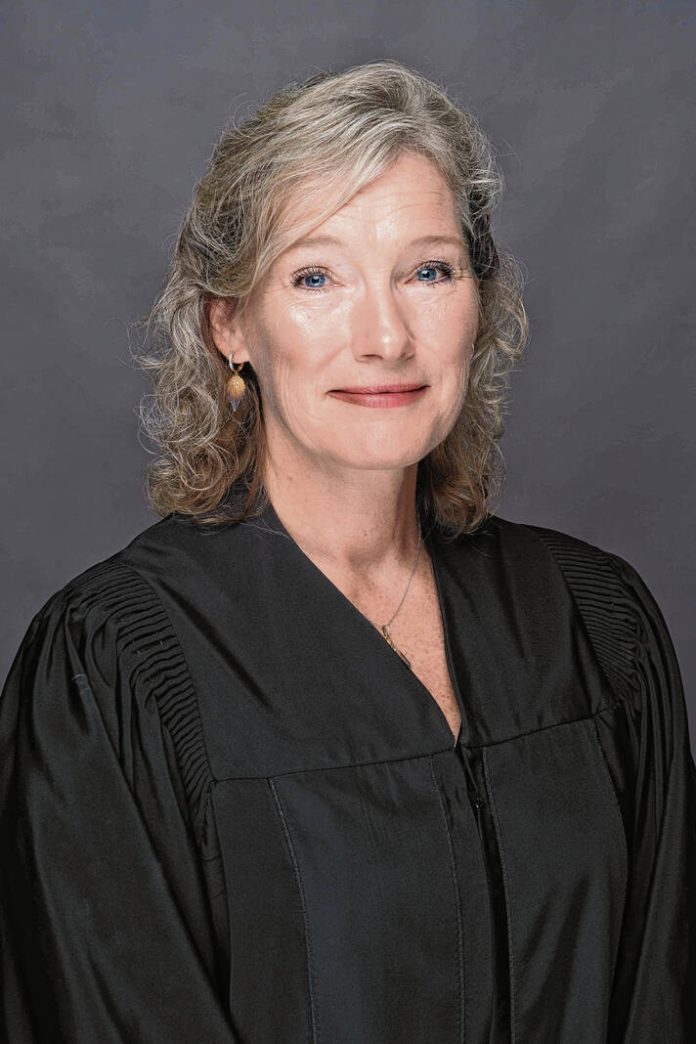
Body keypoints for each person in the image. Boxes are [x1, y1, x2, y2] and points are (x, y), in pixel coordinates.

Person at [1, 59, 694, 1044]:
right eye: (317, 276)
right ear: (231, 324)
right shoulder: (115, 670)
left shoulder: (596, 625)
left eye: (428, 271)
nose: (385, 337)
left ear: (480, 304)